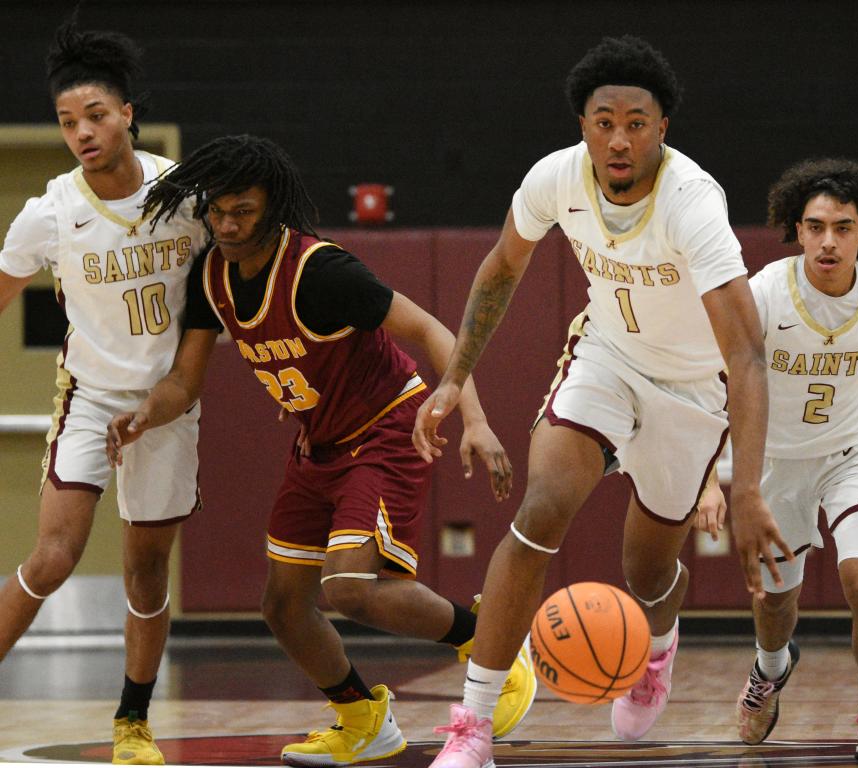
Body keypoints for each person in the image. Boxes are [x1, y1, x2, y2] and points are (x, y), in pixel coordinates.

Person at [412, 35, 791, 768]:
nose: (619, 138)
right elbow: (499, 271)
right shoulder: (556, 178)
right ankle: (473, 727)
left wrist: (744, 487)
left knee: (648, 575)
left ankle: (655, 652)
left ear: (662, 129)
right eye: (604, 120)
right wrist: (456, 376)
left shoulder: (693, 204)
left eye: (637, 122)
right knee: (540, 510)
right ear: (583, 124)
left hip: (692, 389)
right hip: (606, 359)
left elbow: (745, 352)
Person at [105, 134, 536, 767]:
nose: (226, 225)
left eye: (242, 212)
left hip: (385, 429)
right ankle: (363, 718)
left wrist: (473, 419)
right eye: (218, 211)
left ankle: (490, 641)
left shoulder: (320, 271)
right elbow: (184, 381)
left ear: (272, 208)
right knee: (282, 606)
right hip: (319, 446)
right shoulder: (213, 276)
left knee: (350, 589)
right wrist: (144, 414)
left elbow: (430, 329)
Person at [0, 18, 208, 766]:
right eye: (66, 123)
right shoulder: (50, 212)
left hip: (168, 405)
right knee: (53, 557)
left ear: (127, 113)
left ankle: (133, 720)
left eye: (94, 116)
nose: (81, 133)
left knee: (146, 571)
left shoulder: (183, 196)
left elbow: (214, 306)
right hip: (89, 398)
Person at [710, 158, 858, 762]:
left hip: (851, 452)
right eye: (815, 226)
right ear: (798, 229)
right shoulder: (765, 290)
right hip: (772, 462)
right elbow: (722, 379)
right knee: (775, 606)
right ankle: (771, 667)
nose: (827, 240)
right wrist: (713, 474)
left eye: (842, 227)